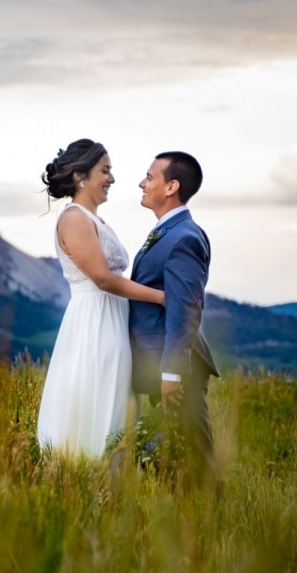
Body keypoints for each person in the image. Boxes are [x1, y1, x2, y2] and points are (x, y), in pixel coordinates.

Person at [37, 139, 165, 457]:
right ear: (81, 176)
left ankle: (110, 476)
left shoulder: (92, 219)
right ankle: (87, 473)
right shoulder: (75, 218)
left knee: (113, 397)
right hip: (94, 322)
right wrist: (163, 298)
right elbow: (104, 278)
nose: (111, 178)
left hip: (112, 319)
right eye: (105, 170)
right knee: (98, 392)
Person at [129, 151, 220, 485]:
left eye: (150, 176)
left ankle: (215, 526)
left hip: (177, 371)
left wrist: (172, 374)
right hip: (160, 366)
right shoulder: (170, 232)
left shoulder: (184, 237)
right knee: (169, 461)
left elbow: (185, 310)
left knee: (196, 461)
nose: (142, 182)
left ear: (172, 187)